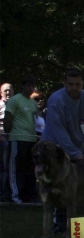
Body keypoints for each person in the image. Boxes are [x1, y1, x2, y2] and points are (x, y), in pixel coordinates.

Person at [41, 68, 84, 160]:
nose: (74, 88)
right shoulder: (56, 101)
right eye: (71, 84)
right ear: (65, 83)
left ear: (82, 83)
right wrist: (76, 154)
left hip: (76, 148)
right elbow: (59, 132)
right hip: (52, 149)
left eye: (78, 84)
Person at [5, 75, 38, 203]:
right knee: (15, 169)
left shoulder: (34, 103)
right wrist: (9, 134)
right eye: (28, 85)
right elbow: (8, 118)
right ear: (23, 86)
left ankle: (27, 196)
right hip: (17, 139)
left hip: (31, 140)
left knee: (29, 169)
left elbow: (35, 120)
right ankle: (14, 196)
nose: (30, 88)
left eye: (32, 86)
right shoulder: (14, 100)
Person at [0, 83, 14, 202]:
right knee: (3, 167)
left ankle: (9, 192)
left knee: (11, 167)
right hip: (2, 139)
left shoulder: (15, 104)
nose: (8, 92)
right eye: (5, 91)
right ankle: (2, 192)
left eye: (10, 90)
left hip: (14, 138)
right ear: (1, 93)